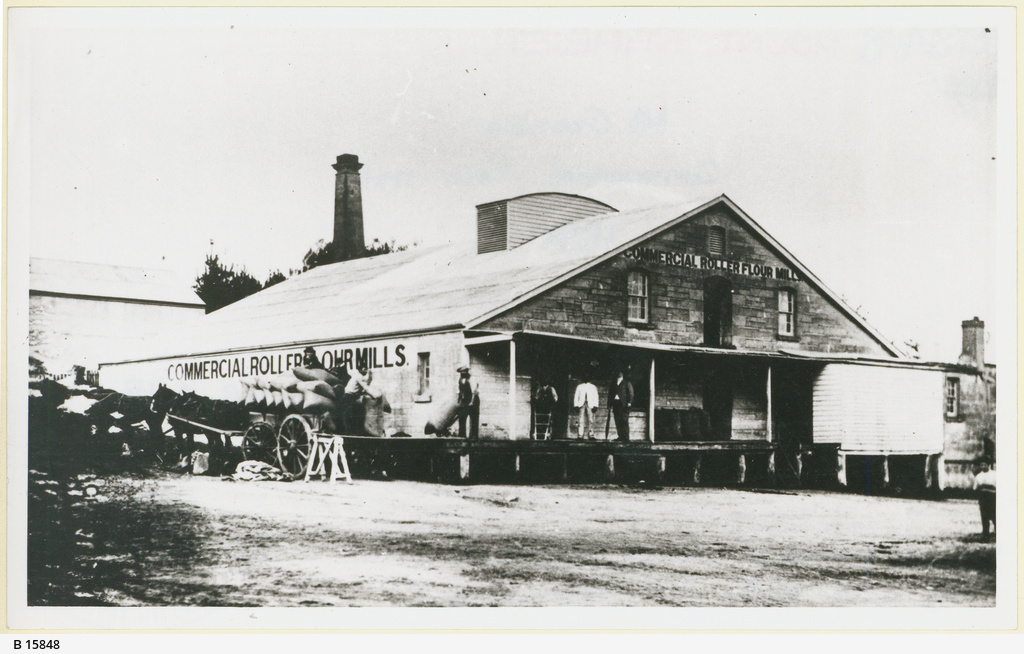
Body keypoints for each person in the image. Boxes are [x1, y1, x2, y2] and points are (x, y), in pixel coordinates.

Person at [341, 365, 372, 434]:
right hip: (349, 397)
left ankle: (350, 431)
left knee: (349, 414)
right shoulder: (359, 377)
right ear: (360, 370)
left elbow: (361, 389)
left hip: (349, 396)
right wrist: (374, 395)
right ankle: (349, 432)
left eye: (366, 369)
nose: (366, 371)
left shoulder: (357, 376)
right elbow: (366, 388)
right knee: (349, 415)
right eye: (364, 369)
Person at [974, 457, 996, 539]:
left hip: (992, 497)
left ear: (988, 465)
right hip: (983, 498)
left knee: (994, 515)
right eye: (981, 465)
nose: (983, 466)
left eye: (984, 464)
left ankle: (997, 531)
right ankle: (985, 533)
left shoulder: (994, 474)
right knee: (984, 516)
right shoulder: (979, 476)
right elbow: (975, 488)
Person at [610, 369, 634, 442]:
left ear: (623, 374)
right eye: (618, 372)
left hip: (623, 404)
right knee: (617, 420)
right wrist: (609, 404)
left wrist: (629, 402)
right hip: (615, 403)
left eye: (621, 372)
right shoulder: (614, 382)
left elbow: (631, 393)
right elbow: (610, 394)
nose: (619, 373)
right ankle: (620, 436)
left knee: (624, 420)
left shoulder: (626, 382)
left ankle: (626, 437)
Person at [456, 366, 479, 439]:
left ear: (466, 372)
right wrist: (458, 401)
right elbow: (459, 391)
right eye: (461, 373)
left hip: (473, 400)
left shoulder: (472, 379)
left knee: (474, 418)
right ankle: (462, 435)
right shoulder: (460, 380)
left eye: (463, 373)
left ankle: (474, 436)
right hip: (464, 401)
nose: (462, 374)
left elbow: (474, 392)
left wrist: (471, 402)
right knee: (462, 417)